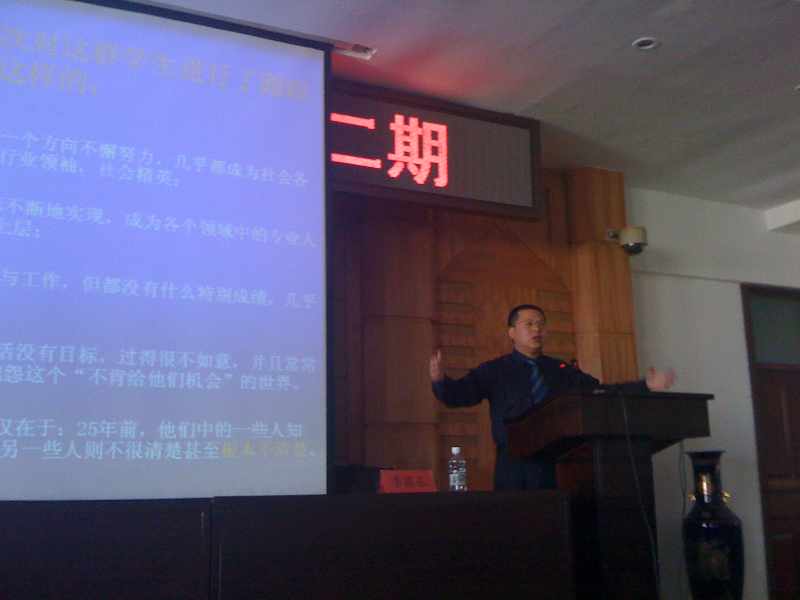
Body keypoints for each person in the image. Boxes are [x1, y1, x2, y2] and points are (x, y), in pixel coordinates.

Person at [430, 304, 675, 491]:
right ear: (511, 332)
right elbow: (458, 395)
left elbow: (599, 392)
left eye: (541, 324)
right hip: (514, 465)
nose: (537, 329)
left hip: (558, 464)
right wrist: (440, 380)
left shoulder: (561, 370)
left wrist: (644, 385)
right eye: (529, 324)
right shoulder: (494, 370)